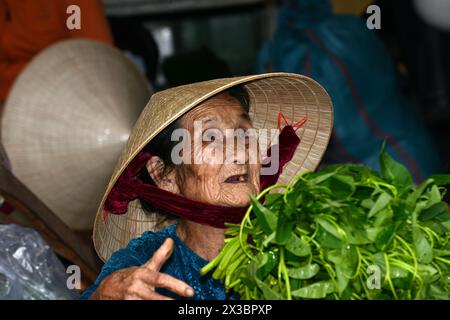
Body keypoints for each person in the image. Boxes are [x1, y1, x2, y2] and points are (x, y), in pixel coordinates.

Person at [81, 73, 334, 300]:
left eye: (245, 134)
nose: (240, 154)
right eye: (211, 138)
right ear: (163, 176)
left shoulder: (301, 244)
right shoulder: (142, 261)